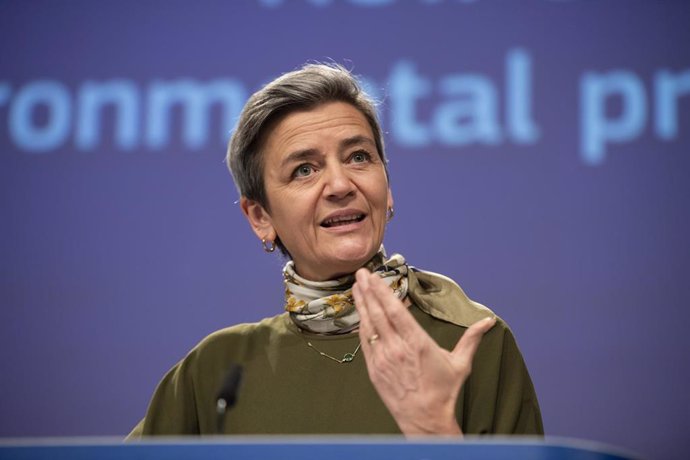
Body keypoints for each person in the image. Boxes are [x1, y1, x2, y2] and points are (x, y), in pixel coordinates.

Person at [127, 63, 543, 437]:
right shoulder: (218, 371)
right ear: (259, 217)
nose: (342, 185)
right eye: (304, 169)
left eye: (359, 157)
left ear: (388, 187)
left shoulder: (468, 340)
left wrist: (434, 430)